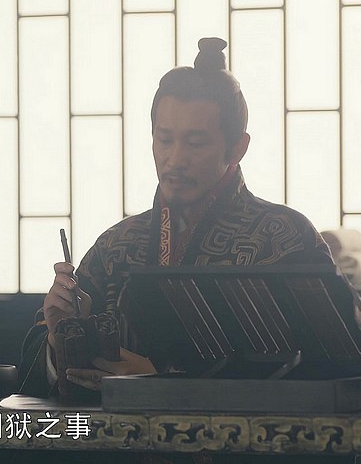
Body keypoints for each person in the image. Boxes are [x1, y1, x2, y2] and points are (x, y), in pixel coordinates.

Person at [18, 37, 335, 398]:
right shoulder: (116, 246)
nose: (175, 159)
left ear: (237, 148)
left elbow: (329, 368)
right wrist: (61, 337)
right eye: (165, 140)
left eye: (195, 143)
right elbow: (38, 376)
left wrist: (166, 384)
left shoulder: (284, 239)